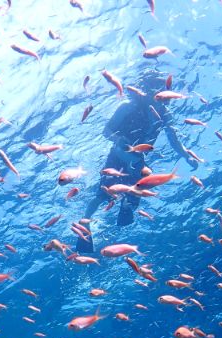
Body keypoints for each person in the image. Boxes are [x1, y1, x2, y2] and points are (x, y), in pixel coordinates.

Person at [76, 71, 198, 253]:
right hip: (118, 154)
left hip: (138, 158)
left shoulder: (165, 114)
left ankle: (126, 208)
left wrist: (186, 155)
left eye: (162, 88)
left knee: (140, 186)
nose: (158, 93)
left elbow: (173, 139)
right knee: (104, 195)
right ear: (144, 89)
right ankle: (84, 225)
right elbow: (106, 131)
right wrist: (119, 140)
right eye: (153, 88)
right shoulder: (127, 107)